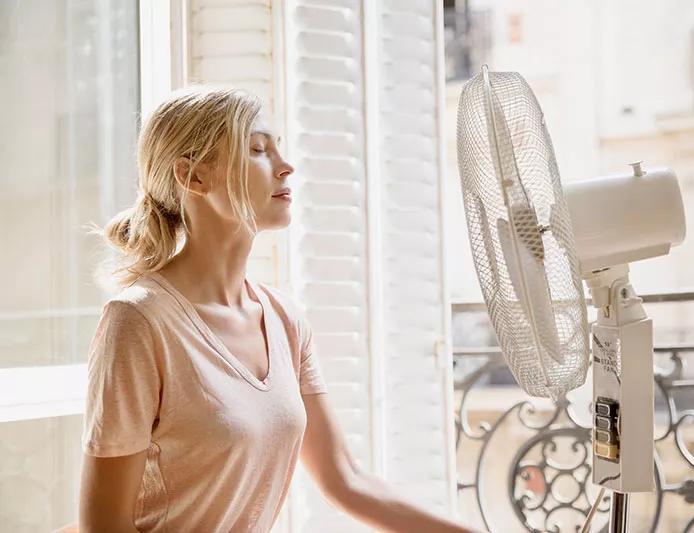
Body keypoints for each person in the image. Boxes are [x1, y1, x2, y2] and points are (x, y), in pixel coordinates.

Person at [78, 85, 479, 532]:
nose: (286, 167)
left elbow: (346, 482)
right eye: (257, 150)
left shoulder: (284, 319)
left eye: (278, 150)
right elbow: (105, 525)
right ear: (193, 177)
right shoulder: (138, 321)